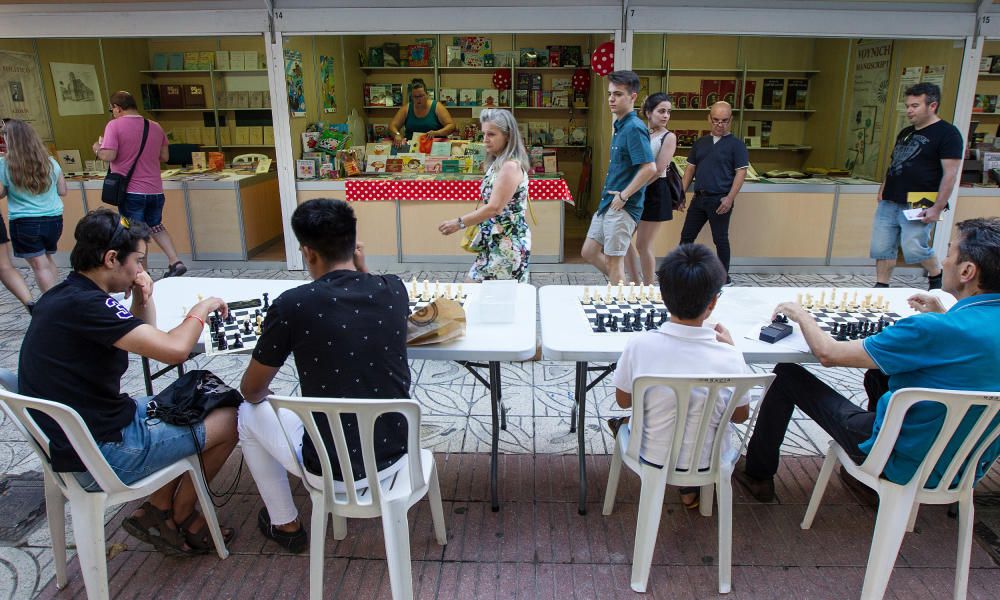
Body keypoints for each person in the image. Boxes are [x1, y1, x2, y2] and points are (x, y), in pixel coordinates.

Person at [18, 209, 238, 555]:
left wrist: (141, 297)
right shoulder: (89, 306)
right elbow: (174, 350)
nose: (140, 269)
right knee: (226, 420)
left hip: (85, 432)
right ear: (110, 259)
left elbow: (143, 339)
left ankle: (159, 509)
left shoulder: (68, 295)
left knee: (195, 399)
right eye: (137, 261)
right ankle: (180, 515)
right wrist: (204, 307)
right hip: (100, 452)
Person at [736, 217, 1000, 503]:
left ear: (967, 271)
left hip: (902, 457)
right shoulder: (948, 325)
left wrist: (801, 315)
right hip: (968, 462)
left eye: (949, 253)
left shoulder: (932, 330)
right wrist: (945, 317)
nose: (944, 261)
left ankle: (758, 475)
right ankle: (863, 482)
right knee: (877, 374)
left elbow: (830, 354)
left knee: (787, 374)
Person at [238, 198, 411, 553]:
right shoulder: (394, 289)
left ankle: (285, 523)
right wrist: (365, 272)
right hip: (395, 452)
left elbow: (252, 389)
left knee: (245, 414)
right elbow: (362, 314)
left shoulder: (293, 304)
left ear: (308, 252)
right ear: (353, 242)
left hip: (329, 466)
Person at [610, 243, 752, 509]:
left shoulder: (640, 345)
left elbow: (623, 400)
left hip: (649, 454)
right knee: (701, 418)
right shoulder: (730, 356)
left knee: (629, 419)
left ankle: (685, 486)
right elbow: (740, 416)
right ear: (713, 302)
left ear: (663, 296)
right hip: (710, 458)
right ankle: (692, 487)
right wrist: (732, 349)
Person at [871, 82, 962, 291]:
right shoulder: (906, 132)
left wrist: (937, 207)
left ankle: (936, 273)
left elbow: (950, 174)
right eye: (908, 105)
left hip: (919, 201)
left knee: (914, 248)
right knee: (881, 247)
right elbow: (895, 162)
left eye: (915, 106)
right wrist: (883, 187)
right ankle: (881, 285)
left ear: (932, 106)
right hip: (890, 198)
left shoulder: (948, 134)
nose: (909, 110)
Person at [93, 90, 187, 278]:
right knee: (156, 225)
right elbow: (165, 157)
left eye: (112, 109)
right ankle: (174, 261)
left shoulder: (114, 126)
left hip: (131, 192)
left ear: (117, 108)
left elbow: (109, 155)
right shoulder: (155, 126)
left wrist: (97, 148)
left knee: (134, 233)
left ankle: (142, 272)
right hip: (155, 190)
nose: (112, 113)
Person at [581, 70, 657, 285]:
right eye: (609, 94)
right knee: (589, 251)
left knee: (615, 262)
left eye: (618, 94)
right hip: (608, 203)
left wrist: (624, 196)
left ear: (633, 97)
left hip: (623, 205)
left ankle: (620, 294)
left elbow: (649, 168)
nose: (612, 99)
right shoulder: (620, 125)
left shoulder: (634, 127)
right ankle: (622, 287)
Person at [437, 108, 531, 281]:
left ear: (508, 136)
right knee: (486, 295)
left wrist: (459, 223)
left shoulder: (510, 166)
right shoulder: (498, 163)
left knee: (486, 294)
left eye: (492, 134)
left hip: (506, 244)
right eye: (484, 134)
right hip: (495, 241)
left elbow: (494, 208)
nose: (485, 139)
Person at [678, 101, 749, 283]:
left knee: (720, 239)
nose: (720, 124)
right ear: (709, 119)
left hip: (720, 200)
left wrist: (730, 198)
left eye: (724, 120)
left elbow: (741, 172)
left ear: (731, 120)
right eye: (716, 120)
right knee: (686, 236)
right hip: (699, 198)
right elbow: (690, 170)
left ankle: (724, 277)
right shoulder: (700, 143)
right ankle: (679, 272)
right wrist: (680, 194)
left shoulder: (737, 145)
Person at [0, 119, 67, 303]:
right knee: (46, 260)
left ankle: (53, 306)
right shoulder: (51, 162)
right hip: (54, 219)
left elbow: (0, 192)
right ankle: (57, 300)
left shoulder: (4, 164)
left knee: (39, 265)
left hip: (25, 221)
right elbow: (62, 190)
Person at [624, 93, 679, 285]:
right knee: (622, 238)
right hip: (637, 190)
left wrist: (632, 190)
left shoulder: (669, 137)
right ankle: (635, 282)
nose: (665, 116)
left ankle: (647, 287)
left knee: (643, 244)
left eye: (668, 112)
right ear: (648, 113)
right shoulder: (642, 132)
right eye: (661, 111)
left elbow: (658, 169)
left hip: (655, 191)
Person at [388, 78, 456, 146]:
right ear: (411, 97)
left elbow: (451, 126)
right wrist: (397, 134)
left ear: (427, 94)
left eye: (421, 96)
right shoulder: (407, 108)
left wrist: (437, 133)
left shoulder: (437, 107)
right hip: (412, 148)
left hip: (434, 147)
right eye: (415, 97)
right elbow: (392, 126)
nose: (418, 99)